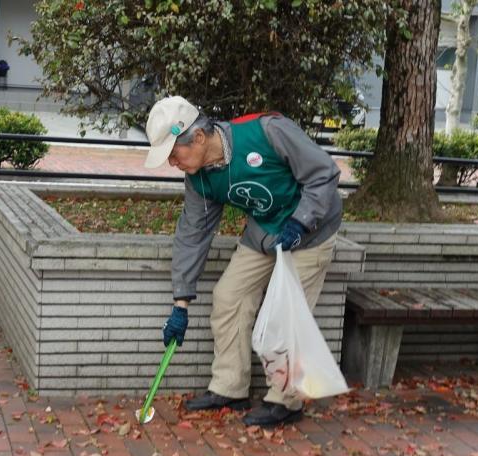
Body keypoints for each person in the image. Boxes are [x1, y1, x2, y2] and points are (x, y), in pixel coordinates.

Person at [143, 96, 342, 427]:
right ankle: (230, 388)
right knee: (228, 297)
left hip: (312, 231)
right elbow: (192, 236)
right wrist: (180, 303)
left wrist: (300, 223)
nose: (172, 164)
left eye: (173, 154)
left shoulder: (268, 132)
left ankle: (285, 401)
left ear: (199, 137)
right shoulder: (199, 178)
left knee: (284, 315)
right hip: (264, 232)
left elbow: (324, 174)